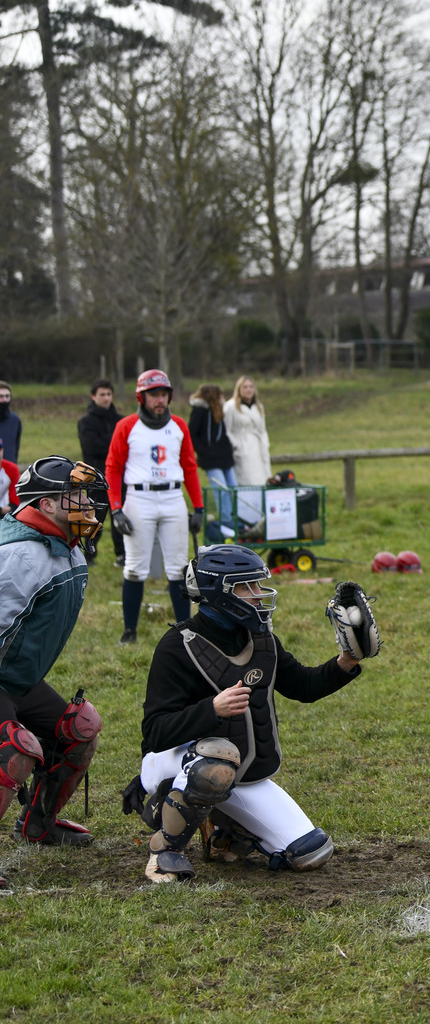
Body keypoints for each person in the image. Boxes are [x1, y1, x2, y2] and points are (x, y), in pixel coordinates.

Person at [124, 546, 380, 882]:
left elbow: (303, 686)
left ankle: (224, 827)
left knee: (309, 852)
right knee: (217, 757)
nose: (259, 595)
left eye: (259, 585)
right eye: (248, 587)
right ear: (220, 593)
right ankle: (164, 851)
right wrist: (211, 710)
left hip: (237, 771)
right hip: (173, 762)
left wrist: (346, 662)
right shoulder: (178, 645)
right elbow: (154, 732)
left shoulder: (263, 640)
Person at [0, 457, 107, 879]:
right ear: (45, 505)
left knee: (78, 728)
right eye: (74, 497)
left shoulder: (62, 543)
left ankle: (37, 825)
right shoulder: (20, 557)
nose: (86, 504)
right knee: (15, 750)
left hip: (14, 677)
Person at [104, 369, 205, 645]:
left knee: (177, 568)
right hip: (139, 499)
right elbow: (112, 468)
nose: (159, 400)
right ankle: (130, 631)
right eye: (153, 395)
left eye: (163, 394)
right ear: (141, 396)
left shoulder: (179, 426)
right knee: (135, 568)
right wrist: (115, 508)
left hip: (173, 497)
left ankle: (185, 630)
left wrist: (198, 507)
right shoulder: (126, 426)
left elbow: (189, 466)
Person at [77, 379, 125, 567]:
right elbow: (92, 447)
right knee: (95, 515)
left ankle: (122, 554)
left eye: (109, 394)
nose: (106, 398)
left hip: (120, 474)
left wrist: (110, 444)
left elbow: (125, 446)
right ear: (93, 396)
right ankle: (87, 555)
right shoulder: (86, 422)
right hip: (96, 476)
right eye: (102, 394)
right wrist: (113, 443)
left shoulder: (120, 420)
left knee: (119, 514)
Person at [189, 384, 237, 523]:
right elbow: (192, 434)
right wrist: (204, 451)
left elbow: (222, 433)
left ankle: (235, 519)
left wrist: (229, 448)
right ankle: (227, 521)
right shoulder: (199, 411)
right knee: (221, 491)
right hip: (211, 459)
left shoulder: (218, 410)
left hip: (225, 457)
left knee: (233, 488)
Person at [224, 376, 271, 486]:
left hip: (258, 449)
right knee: (246, 483)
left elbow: (262, 429)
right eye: (245, 387)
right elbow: (226, 430)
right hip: (242, 450)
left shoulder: (259, 407)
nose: (248, 390)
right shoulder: (231, 406)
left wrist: (265, 444)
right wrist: (236, 445)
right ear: (239, 389)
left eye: (251, 387)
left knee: (261, 481)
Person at [0, 381, 19, 464]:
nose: (4, 400)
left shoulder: (15, 420)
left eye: (7, 396)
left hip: (9, 470)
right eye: (0, 396)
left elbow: (16, 449)